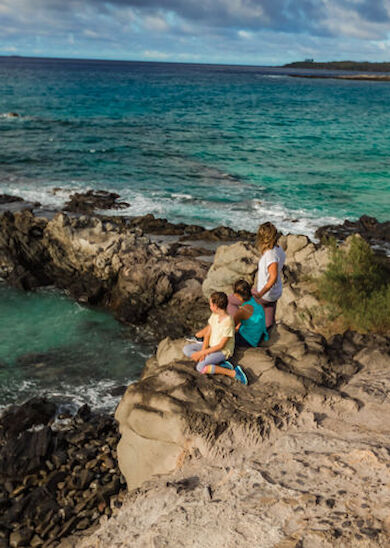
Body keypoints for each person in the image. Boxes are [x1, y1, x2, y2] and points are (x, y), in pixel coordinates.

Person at [183, 291, 247, 385]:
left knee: (200, 367)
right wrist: (203, 352)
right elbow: (208, 334)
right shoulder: (214, 316)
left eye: (210, 304)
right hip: (210, 346)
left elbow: (221, 345)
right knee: (186, 349)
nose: (209, 307)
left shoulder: (228, 322)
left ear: (215, 306)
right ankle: (217, 363)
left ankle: (233, 372)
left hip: (223, 351)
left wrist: (201, 353)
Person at [252, 222, 286, 330]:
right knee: (269, 318)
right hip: (275, 292)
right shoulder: (278, 249)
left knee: (235, 299)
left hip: (266, 294)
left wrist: (259, 294)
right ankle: (268, 332)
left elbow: (273, 278)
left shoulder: (270, 255)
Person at [232, 279, 268, 347]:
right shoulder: (256, 301)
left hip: (248, 340)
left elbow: (231, 326)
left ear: (236, 295)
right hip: (258, 335)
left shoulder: (242, 310)